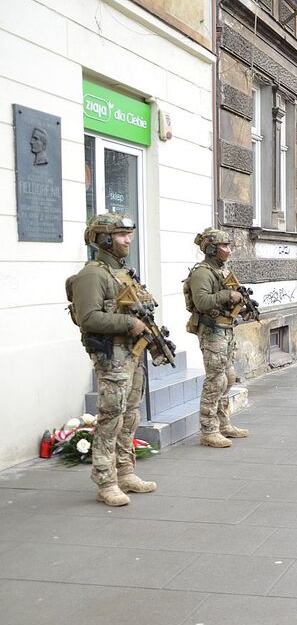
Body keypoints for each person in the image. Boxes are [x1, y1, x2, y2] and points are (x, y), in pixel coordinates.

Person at [68, 214, 156, 506]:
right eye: (120, 235)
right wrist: (128, 323)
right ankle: (105, 481)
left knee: (130, 416)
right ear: (104, 239)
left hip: (132, 354)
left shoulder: (122, 271)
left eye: (128, 234)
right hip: (113, 357)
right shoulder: (94, 275)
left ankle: (125, 472)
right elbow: (89, 318)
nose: (128, 240)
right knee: (111, 418)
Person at [186, 228, 252, 449]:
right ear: (211, 248)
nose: (229, 250)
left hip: (226, 330)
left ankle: (224, 424)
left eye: (229, 245)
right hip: (212, 331)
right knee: (215, 381)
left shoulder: (221, 271)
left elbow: (231, 297)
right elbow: (202, 302)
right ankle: (209, 430)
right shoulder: (202, 273)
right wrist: (227, 295)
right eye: (224, 246)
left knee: (228, 377)